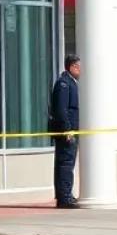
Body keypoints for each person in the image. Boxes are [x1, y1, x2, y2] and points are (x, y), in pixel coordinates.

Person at [49, 54, 81, 209]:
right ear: (72, 67)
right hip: (66, 132)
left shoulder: (70, 83)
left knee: (68, 164)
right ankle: (64, 198)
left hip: (71, 130)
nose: (81, 71)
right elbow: (62, 109)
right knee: (66, 164)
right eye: (80, 67)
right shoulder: (64, 84)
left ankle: (67, 194)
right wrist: (67, 129)